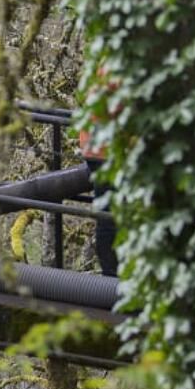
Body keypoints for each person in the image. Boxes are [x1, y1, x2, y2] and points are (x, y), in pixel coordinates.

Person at [78, 68, 119, 277]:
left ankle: (113, 274)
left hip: (99, 147)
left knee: (109, 215)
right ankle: (111, 277)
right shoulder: (115, 68)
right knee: (109, 217)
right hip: (104, 151)